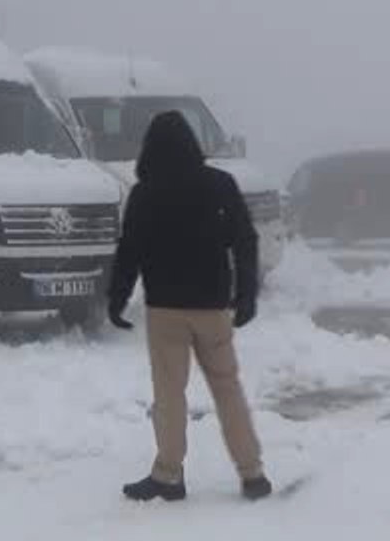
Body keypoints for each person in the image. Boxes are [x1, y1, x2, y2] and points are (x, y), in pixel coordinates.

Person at [107, 111, 272, 502]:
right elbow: (245, 239)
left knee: (169, 393)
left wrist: (117, 298)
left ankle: (168, 475)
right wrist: (246, 293)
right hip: (213, 308)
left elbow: (129, 249)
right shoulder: (220, 185)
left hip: (165, 310)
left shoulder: (145, 193)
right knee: (228, 389)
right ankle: (252, 474)